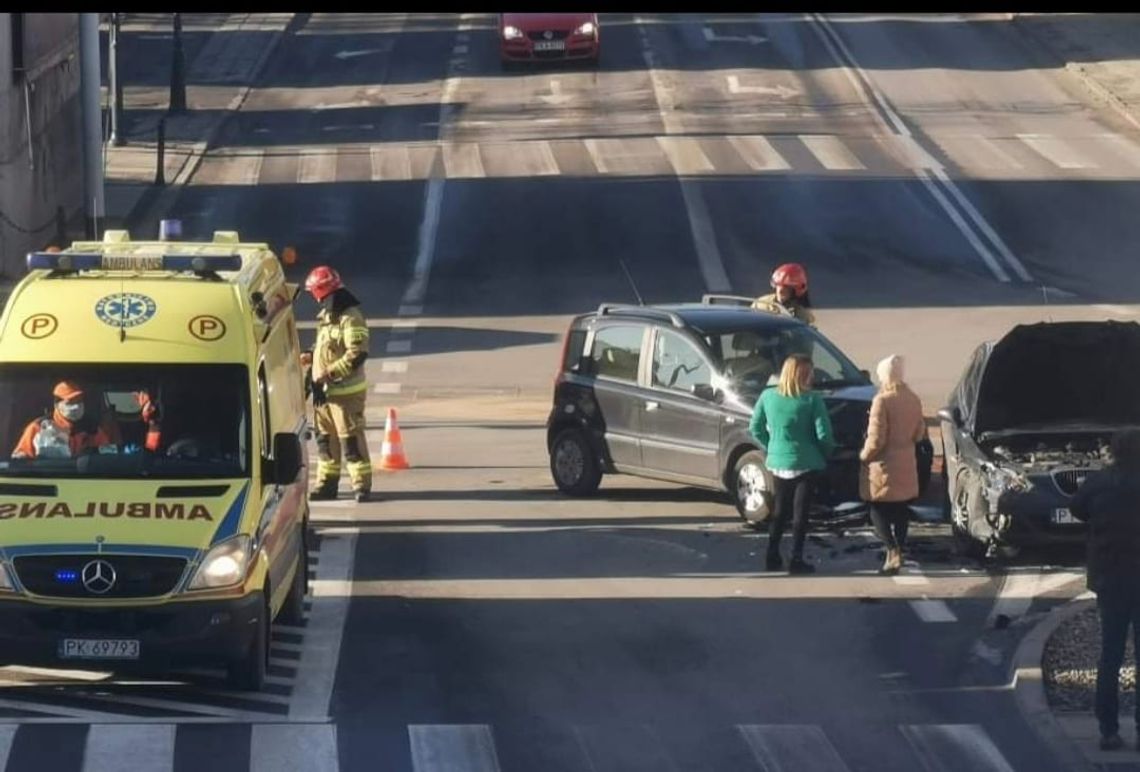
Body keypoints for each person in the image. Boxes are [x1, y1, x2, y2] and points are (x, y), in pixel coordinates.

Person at [1070, 428, 1140, 752]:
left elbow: (1077, 509)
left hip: (1110, 578)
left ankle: (1108, 729)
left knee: (1110, 654)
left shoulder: (1099, 482)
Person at [749, 354, 835, 574]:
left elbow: (755, 427)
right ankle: (796, 559)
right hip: (806, 462)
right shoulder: (811, 399)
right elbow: (824, 434)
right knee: (800, 514)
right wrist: (824, 454)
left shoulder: (767, 396)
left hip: (778, 462)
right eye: (810, 372)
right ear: (804, 374)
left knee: (779, 511)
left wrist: (772, 446)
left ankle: (772, 554)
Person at [304, 266, 372, 503]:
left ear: (322, 291)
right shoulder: (327, 316)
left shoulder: (350, 316)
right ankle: (327, 485)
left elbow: (357, 353)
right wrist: (310, 357)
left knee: (350, 439)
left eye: (315, 291)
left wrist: (329, 374)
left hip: (345, 394)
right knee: (325, 440)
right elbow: (326, 347)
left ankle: (361, 486)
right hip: (324, 394)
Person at [859, 354, 928, 575]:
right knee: (900, 510)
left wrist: (864, 456)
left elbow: (876, 438)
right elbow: (919, 433)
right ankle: (899, 547)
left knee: (876, 508)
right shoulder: (913, 398)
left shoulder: (882, 401)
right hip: (906, 462)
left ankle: (892, 549)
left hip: (883, 464)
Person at [12, 381, 116, 459]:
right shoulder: (38, 427)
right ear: (57, 405)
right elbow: (19, 459)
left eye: (79, 401)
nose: (76, 406)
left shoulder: (93, 429)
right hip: (49, 477)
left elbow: (108, 458)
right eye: (70, 402)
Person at [752, 263, 817, 327]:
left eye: (786, 287)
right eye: (778, 285)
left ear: (795, 290)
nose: (780, 291)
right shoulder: (760, 304)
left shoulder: (803, 316)